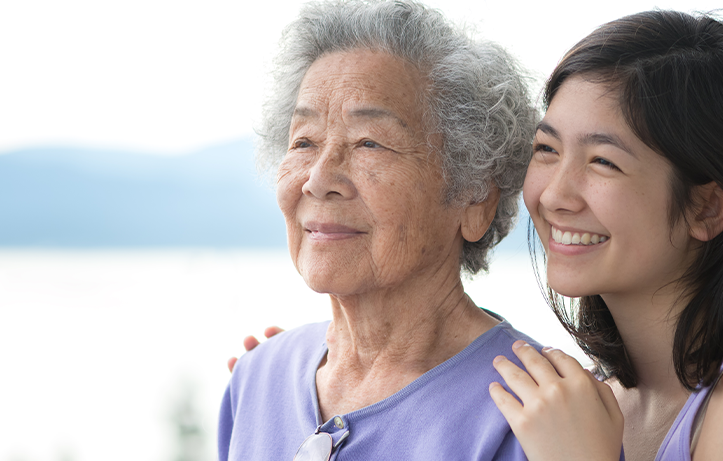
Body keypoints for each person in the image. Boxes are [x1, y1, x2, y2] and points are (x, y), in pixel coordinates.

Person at [487, 10, 723, 461]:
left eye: (603, 162)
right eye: (547, 149)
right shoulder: (597, 403)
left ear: (706, 208)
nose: (554, 194)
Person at [217, 1, 540, 460]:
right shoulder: (257, 378)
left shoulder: (539, 412)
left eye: (369, 143)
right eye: (303, 142)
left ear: (474, 198)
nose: (318, 179)